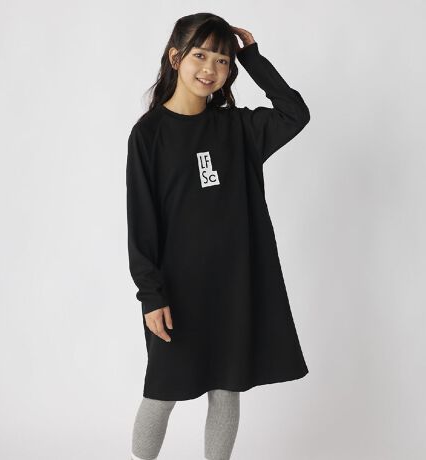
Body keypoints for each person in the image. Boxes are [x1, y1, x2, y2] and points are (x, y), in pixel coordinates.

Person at [126, 12, 310, 460]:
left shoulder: (238, 129)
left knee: (227, 389)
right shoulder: (149, 135)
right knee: (162, 391)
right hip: (176, 292)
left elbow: (295, 113)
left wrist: (253, 59)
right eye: (201, 55)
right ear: (176, 58)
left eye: (223, 60)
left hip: (233, 286)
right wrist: (151, 294)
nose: (211, 68)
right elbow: (141, 221)